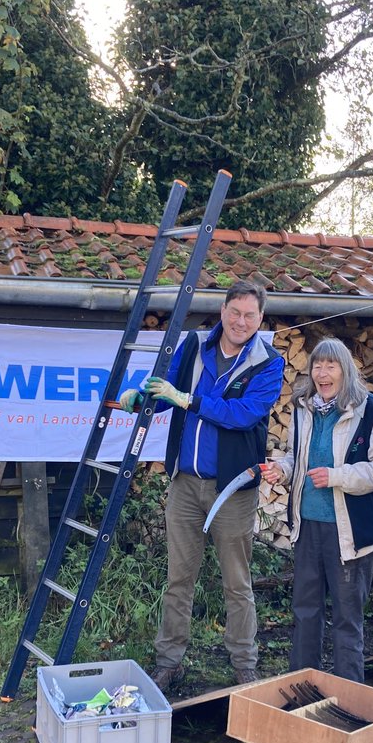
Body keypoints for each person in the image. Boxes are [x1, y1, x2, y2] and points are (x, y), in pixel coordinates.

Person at [119, 280, 283, 692]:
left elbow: (244, 414)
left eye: (250, 315)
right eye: (235, 312)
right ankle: (169, 662)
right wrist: (141, 398)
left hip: (232, 490)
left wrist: (188, 400)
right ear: (223, 310)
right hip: (186, 485)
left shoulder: (269, 362)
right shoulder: (195, 347)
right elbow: (163, 391)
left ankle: (245, 664)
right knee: (179, 579)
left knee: (237, 583)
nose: (241, 321)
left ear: (260, 320)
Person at [261, 338, 373, 683]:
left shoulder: (372, 410)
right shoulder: (303, 407)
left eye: (331, 365)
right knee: (305, 612)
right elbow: (294, 456)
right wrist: (283, 470)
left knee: (347, 618)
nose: (322, 372)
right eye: (317, 365)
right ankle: (304, 686)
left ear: (345, 370)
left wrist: (337, 476)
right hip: (307, 526)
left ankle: (350, 695)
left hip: (349, 531)